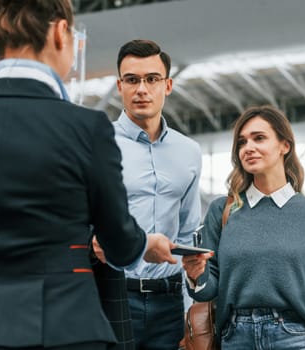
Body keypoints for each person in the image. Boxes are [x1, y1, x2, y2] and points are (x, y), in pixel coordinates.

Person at [0, 1, 176, 349]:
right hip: (65, 326)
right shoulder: (86, 128)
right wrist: (145, 246)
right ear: (61, 32)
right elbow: (118, 243)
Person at [182, 105, 305, 350]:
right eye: (242, 142)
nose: (248, 148)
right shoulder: (222, 210)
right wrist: (195, 275)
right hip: (236, 337)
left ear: (284, 146)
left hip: (296, 336)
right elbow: (206, 292)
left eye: (259, 138)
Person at [113, 39, 202, 350]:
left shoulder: (189, 152)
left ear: (168, 85)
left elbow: (189, 233)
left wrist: (191, 304)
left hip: (169, 302)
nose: (142, 89)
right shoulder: (99, 144)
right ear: (119, 86)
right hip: (113, 295)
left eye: (152, 79)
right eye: (132, 80)